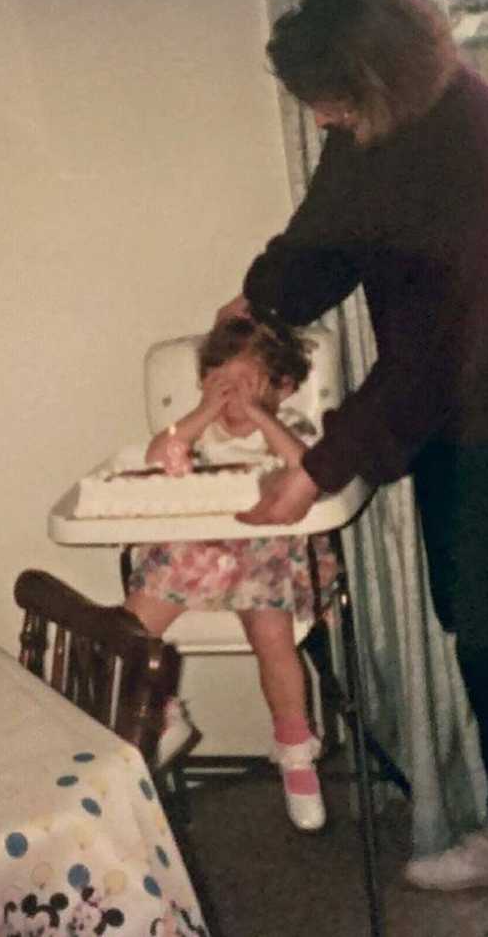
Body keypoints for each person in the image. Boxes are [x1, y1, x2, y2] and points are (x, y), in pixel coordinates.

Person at [227, 0, 488, 937]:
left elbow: (436, 351)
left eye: (331, 103)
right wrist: (260, 300)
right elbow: (326, 234)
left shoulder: (470, 144)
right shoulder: (372, 131)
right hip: (447, 410)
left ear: (376, 80)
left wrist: (318, 465)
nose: (323, 121)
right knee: (470, 619)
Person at [124, 315, 335, 832]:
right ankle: (161, 715)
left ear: (282, 388)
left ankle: (295, 749)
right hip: (200, 551)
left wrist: (262, 417)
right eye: (221, 381)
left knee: (271, 632)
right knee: (128, 627)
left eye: (248, 383)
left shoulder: (292, 428)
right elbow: (154, 458)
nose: (233, 396)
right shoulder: (197, 433)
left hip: (266, 553)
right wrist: (202, 413)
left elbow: (306, 465)